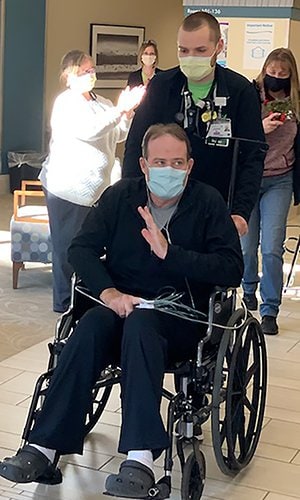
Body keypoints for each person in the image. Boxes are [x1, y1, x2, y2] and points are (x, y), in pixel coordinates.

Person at [0, 124, 243, 498]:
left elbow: (231, 268)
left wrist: (170, 254)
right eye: (160, 162)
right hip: (119, 306)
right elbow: (79, 249)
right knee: (92, 324)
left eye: (177, 162)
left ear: (190, 165)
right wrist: (109, 292)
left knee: (143, 325)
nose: (169, 169)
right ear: (144, 166)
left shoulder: (207, 203)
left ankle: (141, 457)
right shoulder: (120, 197)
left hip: (179, 318)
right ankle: (44, 446)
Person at [123, 11, 266, 237]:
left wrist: (240, 211)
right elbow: (134, 146)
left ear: (219, 46)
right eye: (183, 50)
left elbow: (252, 155)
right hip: (162, 204)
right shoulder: (161, 86)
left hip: (217, 206)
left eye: (200, 51)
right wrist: (131, 202)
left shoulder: (240, 92)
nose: (191, 58)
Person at [40, 49, 144, 313]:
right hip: (69, 190)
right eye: (85, 71)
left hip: (96, 191)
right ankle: (64, 303)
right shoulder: (66, 103)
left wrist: (127, 113)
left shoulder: (102, 102)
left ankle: (86, 296)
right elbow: (90, 130)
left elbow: (117, 134)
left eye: (92, 69)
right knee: (67, 250)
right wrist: (119, 109)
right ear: (69, 75)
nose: (91, 75)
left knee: (90, 247)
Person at [241, 48, 300, 335]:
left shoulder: (296, 104)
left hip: (281, 180)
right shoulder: (250, 95)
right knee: (247, 247)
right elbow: (237, 134)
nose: (276, 78)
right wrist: (259, 128)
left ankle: (270, 309)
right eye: (272, 73)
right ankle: (248, 286)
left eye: (282, 74)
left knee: (272, 246)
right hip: (250, 178)